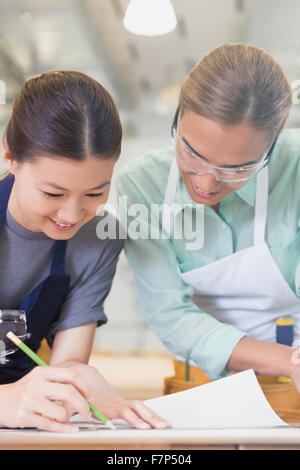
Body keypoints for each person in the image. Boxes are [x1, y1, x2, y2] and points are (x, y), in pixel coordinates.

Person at [115, 43, 300, 392]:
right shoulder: (142, 185)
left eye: (238, 169)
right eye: (192, 153)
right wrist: (284, 361)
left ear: (272, 146)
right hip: (202, 377)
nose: (206, 183)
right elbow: (168, 312)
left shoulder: (296, 170)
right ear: (177, 118)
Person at [0, 70, 169, 432]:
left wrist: (81, 378)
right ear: (10, 155)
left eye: (95, 194)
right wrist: (4, 402)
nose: (72, 215)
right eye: (53, 193)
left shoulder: (98, 241)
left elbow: (67, 364)